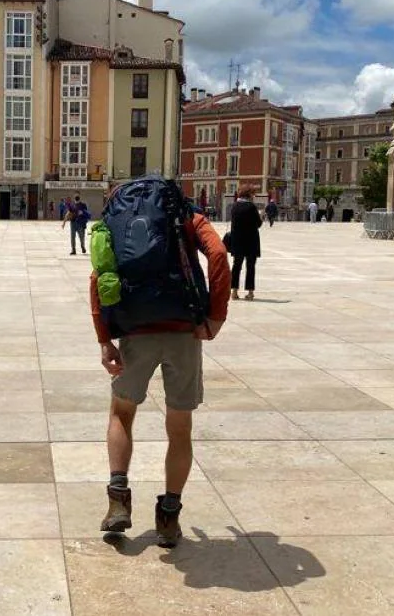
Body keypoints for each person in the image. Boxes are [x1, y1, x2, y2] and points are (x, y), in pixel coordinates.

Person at [91, 179, 230, 548]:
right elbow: (217, 255)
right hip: (183, 329)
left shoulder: (115, 221)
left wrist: (105, 338)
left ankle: (118, 499)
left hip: (135, 328)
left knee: (121, 413)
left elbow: (99, 277)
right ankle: (169, 517)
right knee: (179, 425)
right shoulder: (186, 214)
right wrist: (216, 315)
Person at [229, 187, 262, 301]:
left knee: (236, 266)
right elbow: (258, 223)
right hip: (251, 241)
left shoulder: (234, 206)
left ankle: (234, 291)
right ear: (249, 195)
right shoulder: (251, 207)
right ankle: (250, 292)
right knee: (250, 266)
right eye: (253, 194)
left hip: (237, 241)